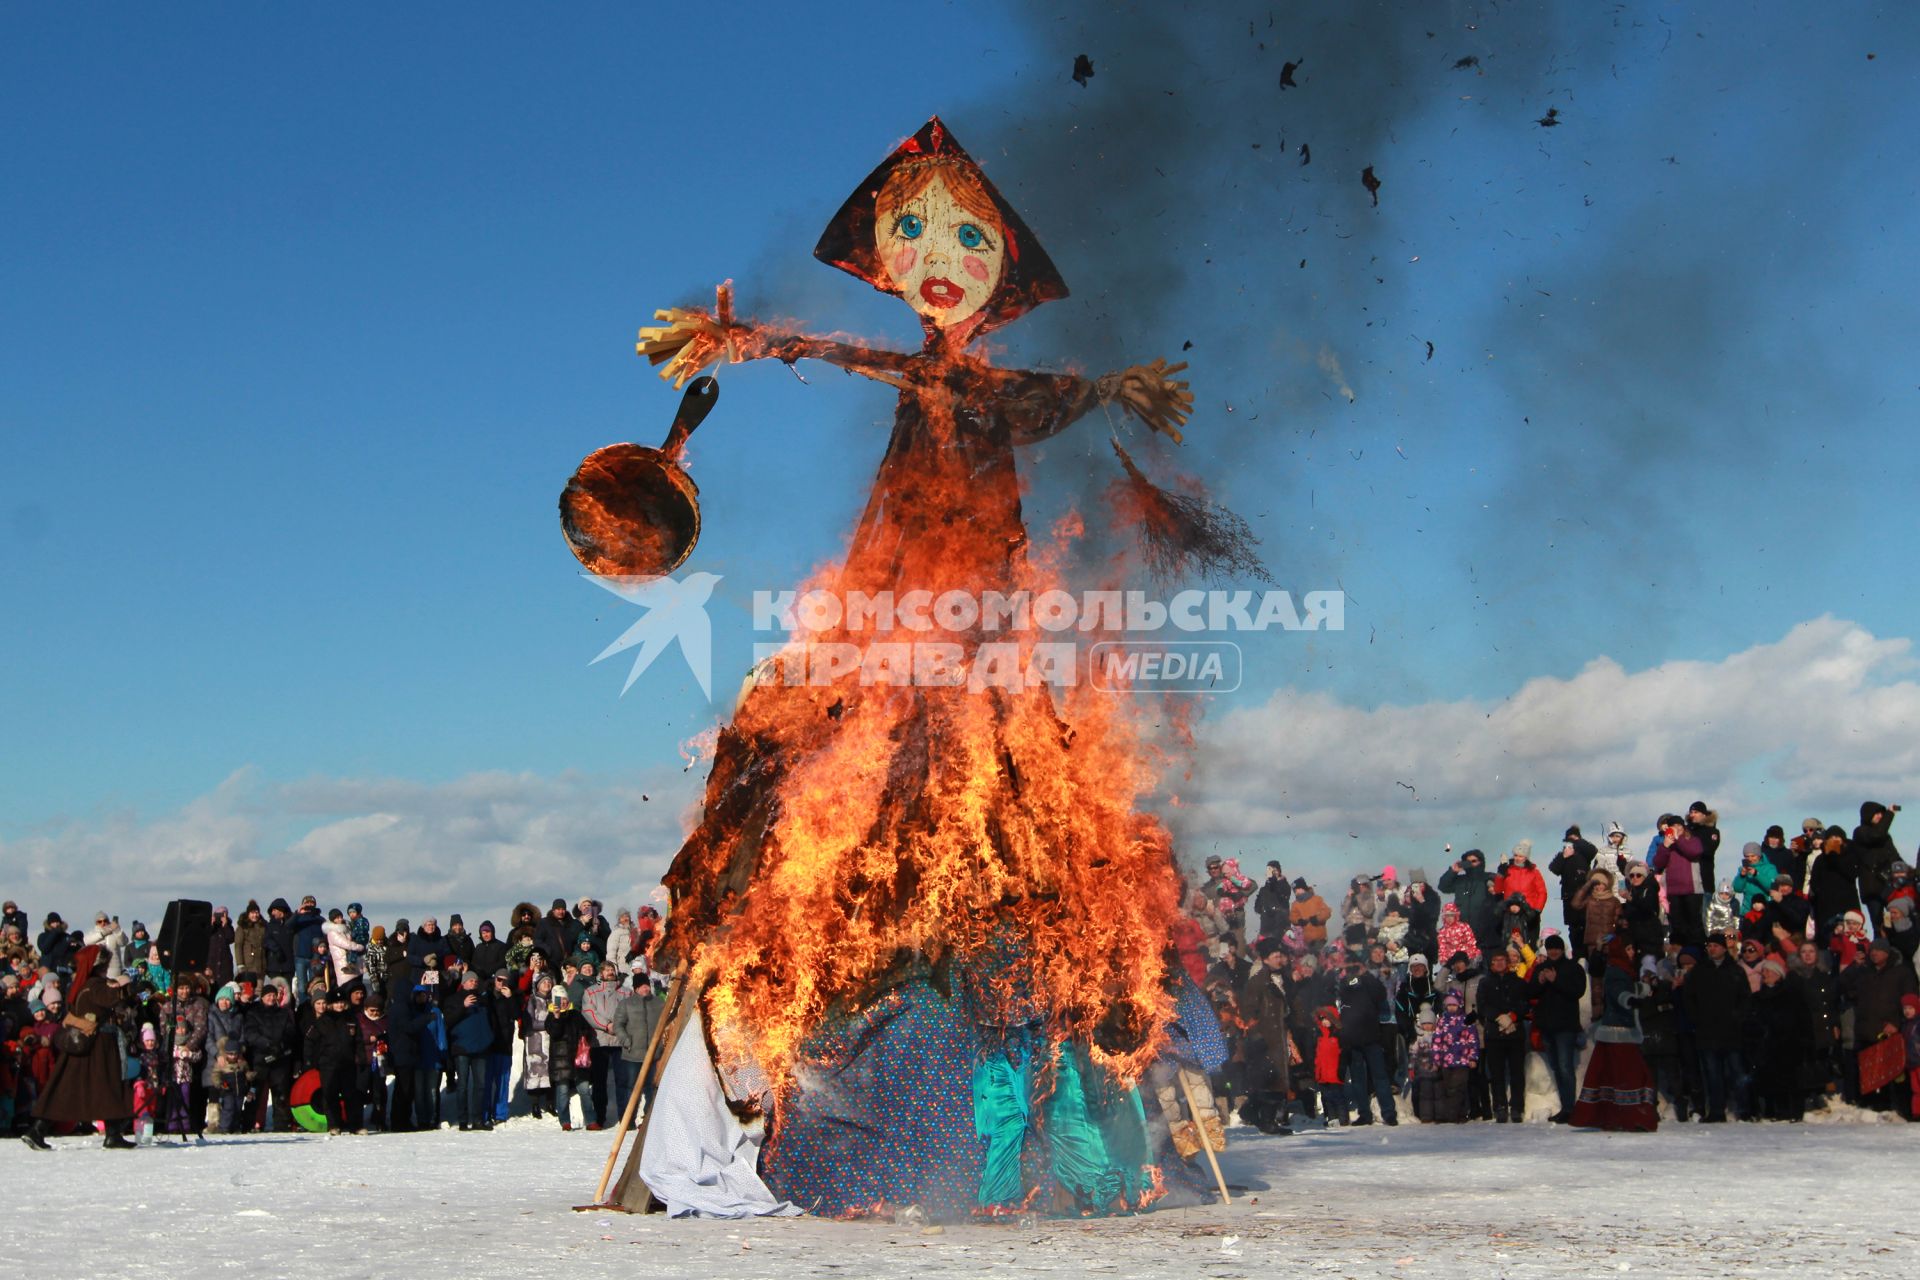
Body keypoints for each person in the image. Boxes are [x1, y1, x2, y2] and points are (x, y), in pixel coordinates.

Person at [21, 945, 136, 1150]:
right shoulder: (95, 985)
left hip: (86, 1044)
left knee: (76, 1089)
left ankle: (112, 1132)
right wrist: (128, 986)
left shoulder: (81, 985)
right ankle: (38, 1130)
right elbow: (112, 998)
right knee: (101, 1086)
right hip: (96, 1045)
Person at [1568, 935, 1657, 1131]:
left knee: (1613, 1076)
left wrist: (1643, 987)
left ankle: (1616, 1116)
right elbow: (1617, 991)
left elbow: (1625, 988)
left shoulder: (1623, 969)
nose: (1632, 953)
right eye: (1628, 949)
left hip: (1619, 1031)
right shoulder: (1617, 970)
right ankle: (1631, 1117)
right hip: (1620, 1032)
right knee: (1629, 1076)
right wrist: (1631, 1000)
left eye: (1633, 949)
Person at [1684, 934, 1750, 1121]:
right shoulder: (1699, 971)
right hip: (1707, 1031)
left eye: (1715, 945)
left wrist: (1738, 1018)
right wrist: (1697, 1019)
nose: (1712, 949)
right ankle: (1716, 1111)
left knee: (1737, 1072)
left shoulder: (1735, 971)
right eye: (1709, 945)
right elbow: (1689, 999)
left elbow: (1745, 999)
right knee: (1713, 1075)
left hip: (1731, 1031)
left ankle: (1744, 1110)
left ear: (1723, 948)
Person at [1235, 938, 1293, 1134]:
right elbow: (1248, 1011)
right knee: (1270, 1080)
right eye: (1275, 956)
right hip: (1265, 1039)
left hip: (1279, 1036)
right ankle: (1267, 1120)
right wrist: (1256, 1035)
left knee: (1275, 1080)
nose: (1279, 959)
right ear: (1266, 960)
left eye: (1280, 956)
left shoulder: (1284, 977)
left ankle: (1250, 1112)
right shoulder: (1258, 982)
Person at [1333, 954, 1397, 1126]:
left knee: (1380, 1077)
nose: (1352, 970)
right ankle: (1364, 1113)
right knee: (1358, 1079)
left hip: (1371, 1037)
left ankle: (1388, 1113)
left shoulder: (1369, 982)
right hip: (1353, 1039)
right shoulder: (1344, 984)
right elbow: (1342, 1001)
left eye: (1356, 966)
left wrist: (1364, 975)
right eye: (1350, 967)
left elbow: (1381, 995)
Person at [1529, 935, 1586, 1122]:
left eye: (1556, 948)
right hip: (1546, 1026)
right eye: (1550, 948)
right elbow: (1530, 992)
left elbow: (1578, 991)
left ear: (1562, 949)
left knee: (1565, 1067)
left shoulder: (1572, 968)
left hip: (1565, 1027)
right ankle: (1565, 1106)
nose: (1553, 951)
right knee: (1556, 1067)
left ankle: (1570, 1108)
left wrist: (1556, 981)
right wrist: (1540, 982)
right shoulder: (1541, 968)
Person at [1748, 957, 1812, 1121]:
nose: (1765, 974)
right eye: (1764, 971)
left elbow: (1803, 1019)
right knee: (1772, 1079)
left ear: (1778, 974)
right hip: (1767, 1045)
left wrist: (1804, 1041)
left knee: (1792, 1080)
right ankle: (1777, 1111)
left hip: (1790, 1044)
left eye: (1769, 971)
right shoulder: (1757, 997)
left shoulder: (1791, 995)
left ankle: (1795, 1112)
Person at [1476, 950, 1530, 1123]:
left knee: (1516, 1072)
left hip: (1515, 1032)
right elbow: (1482, 1005)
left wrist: (1513, 1016)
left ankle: (1516, 1107)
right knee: (1496, 1073)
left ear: (1508, 962)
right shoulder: (1484, 983)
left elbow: (1525, 1003)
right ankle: (1500, 1106)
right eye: (1495, 960)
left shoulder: (1519, 982)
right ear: (1491, 964)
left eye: (1502, 960)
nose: (1499, 963)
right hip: (1494, 1033)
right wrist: (1499, 1018)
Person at [244, 978, 297, 1131]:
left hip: (280, 1059)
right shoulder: (254, 1012)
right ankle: (250, 1124)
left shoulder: (283, 1013)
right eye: (268, 995)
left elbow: (290, 1032)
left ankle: (281, 1125)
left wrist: (281, 1046)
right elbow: (250, 1034)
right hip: (260, 1059)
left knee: (281, 1094)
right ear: (262, 997)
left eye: (273, 995)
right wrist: (267, 1044)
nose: (271, 998)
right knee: (256, 1094)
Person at [446, 971, 494, 1131]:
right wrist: (463, 1006)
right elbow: (449, 1020)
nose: (473, 983)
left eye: (475, 980)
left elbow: (491, 1021)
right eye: (470, 980)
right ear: (464, 983)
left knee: (480, 1085)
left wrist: (489, 1038)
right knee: (463, 1085)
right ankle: (462, 1120)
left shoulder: (483, 1000)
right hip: (462, 1048)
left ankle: (478, 1119)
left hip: (481, 1047)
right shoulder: (454, 999)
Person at [1652, 814, 1707, 947]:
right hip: (1673, 891)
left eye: (1679, 825)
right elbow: (1658, 863)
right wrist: (1665, 846)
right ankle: (1678, 953)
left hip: (1692, 889)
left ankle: (1698, 952)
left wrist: (1678, 840)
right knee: (1677, 926)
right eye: (1673, 826)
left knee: (1694, 924)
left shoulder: (1692, 840)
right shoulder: (1666, 844)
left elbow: (1694, 852)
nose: (1676, 828)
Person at [545, 988, 594, 1130]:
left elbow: (588, 1030)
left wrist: (584, 1037)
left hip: (578, 1059)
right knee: (562, 1091)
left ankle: (591, 1120)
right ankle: (565, 1121)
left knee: (584, 1090)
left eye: (565, 999)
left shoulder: (576, 1015)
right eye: (560, 1000)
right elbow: (554, 1033)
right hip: (560, 1060)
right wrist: (557, 1017)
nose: (564, 1003)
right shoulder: (551, 1017)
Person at [1428, 989, 1478, 1123]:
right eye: (1449, 1005)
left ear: (1460, 1005)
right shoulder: (1442, 1021)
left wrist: (1473, 1057)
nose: (1451, 1007)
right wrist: (1436, 1060)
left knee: (1458, 1088)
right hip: (1446, 1062)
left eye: (1454, 1005)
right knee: (1447, 1087)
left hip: (1462, 1061)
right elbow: (1437, 1042)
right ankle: (1450, 1114)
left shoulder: (1465, 1020)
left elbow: (1473, 1040)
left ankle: (1458, 1114)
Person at [1853, 802, 1901, 939]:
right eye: (1877, 813)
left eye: (1882, 813)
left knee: (1895, 923)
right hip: (1873, 888)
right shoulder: (1860, 832)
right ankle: (1879, 952)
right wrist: (1890, 814)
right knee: (1878, 926)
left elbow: (1894, 856)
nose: (1880, 816)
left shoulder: (1885, 836)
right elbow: (1876, 835)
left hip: (1888, 886)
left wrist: (1908, 872)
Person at [1437, 848, 1498, 953]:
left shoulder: (1489, 877)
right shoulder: (1460, 880)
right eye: (1468, 862)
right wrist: (1453, 871)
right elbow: (1443, 887)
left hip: (1485, 932)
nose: (1471, 864)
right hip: (1462, 933)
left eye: (1474, 861)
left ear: (1481, 862)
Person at [1548, 826, 1598, 953]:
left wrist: (1576, 842)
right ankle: (1578, 956)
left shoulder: (1584, 853)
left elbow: (1593, 850)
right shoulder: (1563, 855)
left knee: (1586, 927)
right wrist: (1564, 856)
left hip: (1585, 897)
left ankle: (1586, 955)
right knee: (1574, 930)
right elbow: (1554, 868)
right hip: (1569, 898)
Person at [1253, 861, 1291, 940]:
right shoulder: (1264, 889)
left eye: (1274, 870)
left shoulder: (1284, 885)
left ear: (1278, 871)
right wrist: (1263, 909)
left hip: (1280, 926)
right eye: (1269, 870)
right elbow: (1257, 907)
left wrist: (1272, 879)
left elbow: (1280, 895)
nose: (1272, 873)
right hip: (1266, 927)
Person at [1289, 879, 1331, 948]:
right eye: (1294, 891)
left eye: (1297, 889)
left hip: (1320, 936)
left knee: (1316, 953)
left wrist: (1317, 918)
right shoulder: (1295, 904)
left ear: (1303, 888)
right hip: (1306, 939)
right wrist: (1299, 921)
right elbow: (1292, 917)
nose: (1296, 892)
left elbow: (1326, 912)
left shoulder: (1317, 899)